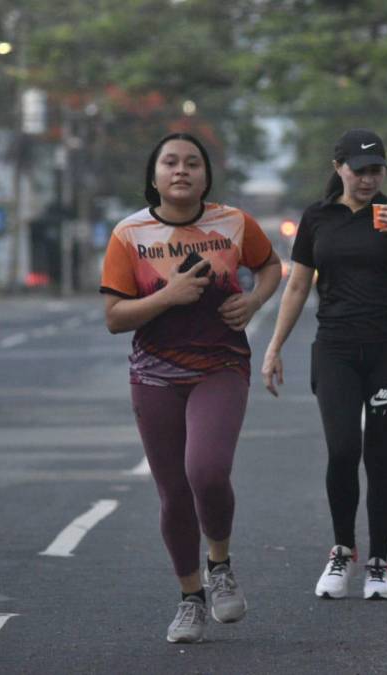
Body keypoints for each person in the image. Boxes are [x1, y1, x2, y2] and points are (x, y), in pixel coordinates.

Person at [100, 132, 281, 642]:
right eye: (171, 162)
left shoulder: (233, 223)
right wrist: (170, 295)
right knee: (173, 494)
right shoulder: (129, 235)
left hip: (220, 366)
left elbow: (270, 266)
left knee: (206, 470)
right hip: (153, 375)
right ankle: (190, 599)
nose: (182, 171)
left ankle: (219, 563)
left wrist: (254, 301)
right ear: (154, 174)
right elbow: (115, 318)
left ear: (206, 175)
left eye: (193, 164)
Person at [261, 129, 387, 599]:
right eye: (359, 170)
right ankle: (342, 552)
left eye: (376, 170)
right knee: (343, 451)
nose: (368, 179)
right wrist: (274, 347)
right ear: (339, 167)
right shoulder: (317, 218)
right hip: (336, 348)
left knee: (380, 457)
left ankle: (379, 563)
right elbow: (297, 286)